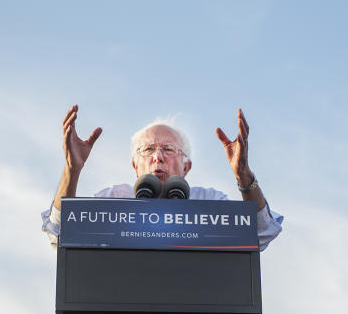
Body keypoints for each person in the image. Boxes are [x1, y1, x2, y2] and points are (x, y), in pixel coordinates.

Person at [43, 106, 284, 250]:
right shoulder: (112, 199)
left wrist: (244, 176)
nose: (158, 157)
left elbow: (260, 234)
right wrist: (71, 170)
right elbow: (59, 233)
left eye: (169, 150)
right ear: (135, 166)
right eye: (148, 149)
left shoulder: (208, 201)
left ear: (186, 166)